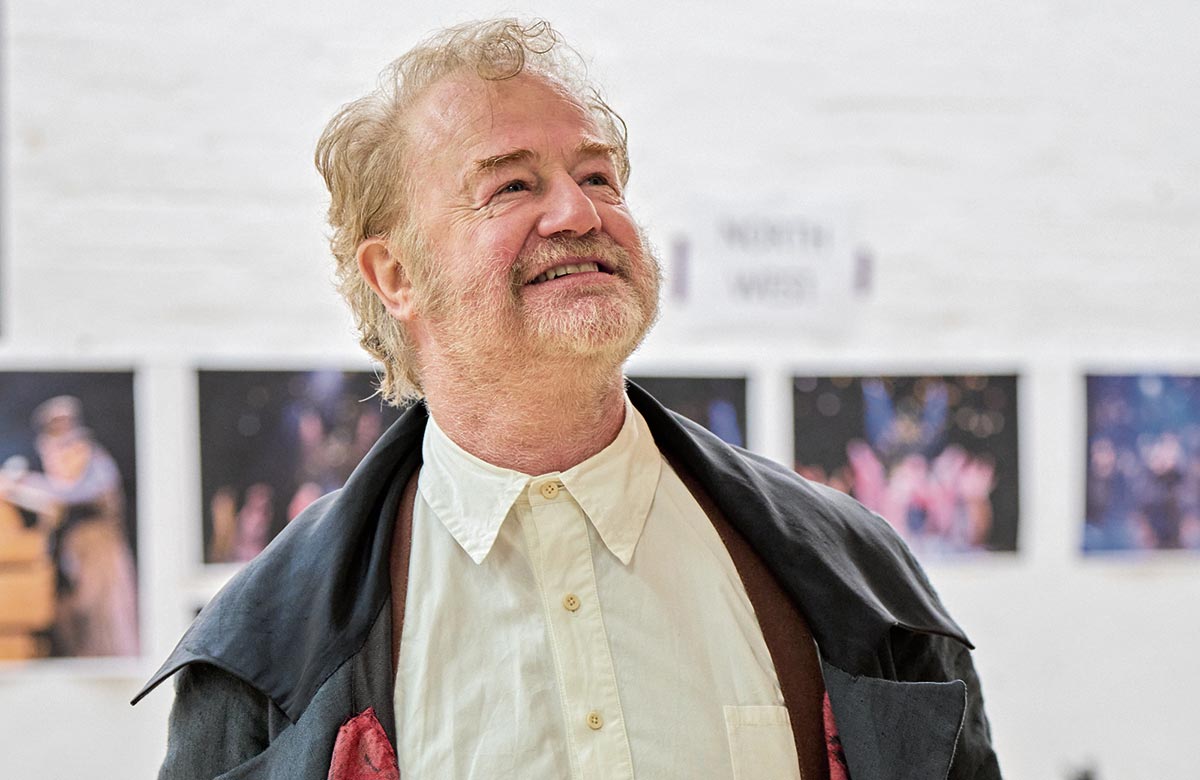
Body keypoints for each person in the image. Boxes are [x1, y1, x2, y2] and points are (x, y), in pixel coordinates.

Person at [135, 19, 1002, 779]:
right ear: (394, 275)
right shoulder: (262, 653)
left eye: (599, 176)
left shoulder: (853, 579)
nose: (579, 213)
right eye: (511, 185)